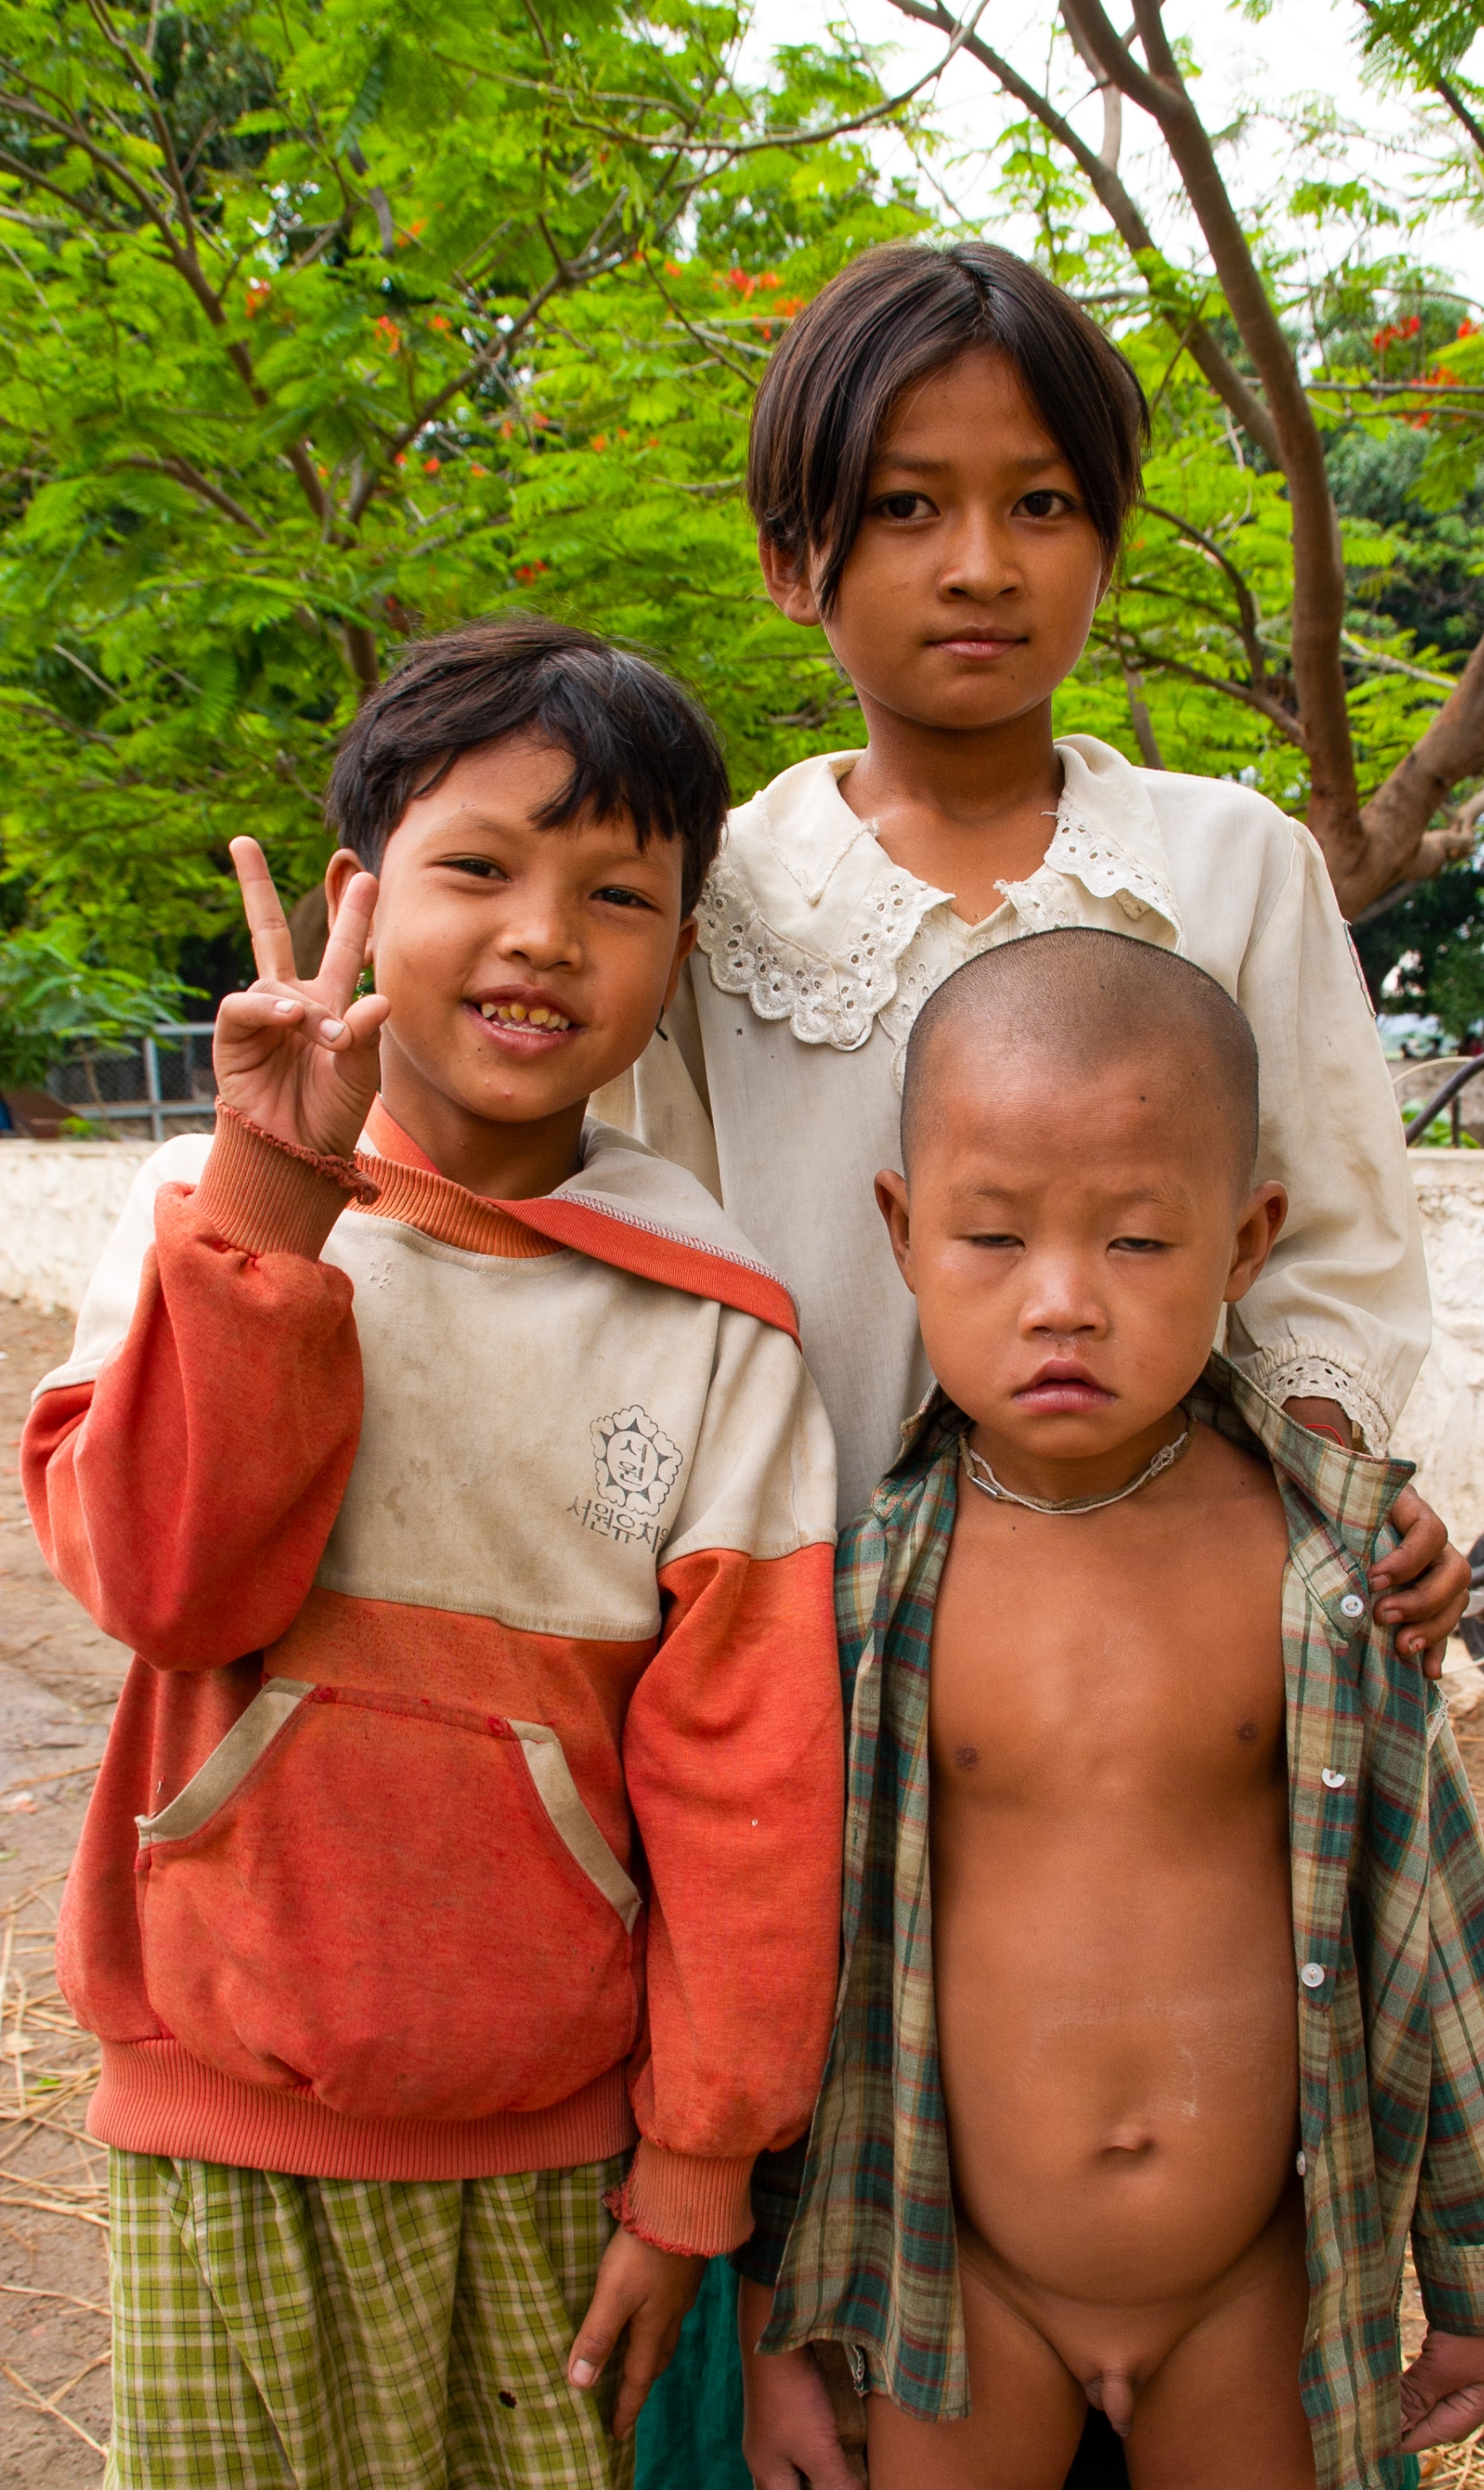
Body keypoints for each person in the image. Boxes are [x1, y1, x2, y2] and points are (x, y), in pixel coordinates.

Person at [22, 619, 845, 2490]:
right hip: (222, 2115)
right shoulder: (198, 1208)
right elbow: (166, 1590)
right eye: (479, 868)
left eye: (616, 896)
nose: (543, 936)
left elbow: (750, 1783)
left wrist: (698, 2163)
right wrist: (273, 1204)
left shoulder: (714, 1323)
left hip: (558, 2147)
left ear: (678, 960)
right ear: (358, 901)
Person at [740, 929, 1484, 2490]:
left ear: (1246, 1244)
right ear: (901, 1232)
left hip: (1255, 2287)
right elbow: (804, 1984)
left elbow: (1436, 1936)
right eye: (993, 1237)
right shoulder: (866, 1597)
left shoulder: (1324, 1582)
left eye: (1138, 1243)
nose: (1065, 1303)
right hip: (961, 2286)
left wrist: (1479, 2279)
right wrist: (782, 2329)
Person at [595, 235, 1466, 1663]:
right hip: (793, 1650)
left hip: (1158, 1647)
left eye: (1042, 504)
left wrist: (1328, 1496)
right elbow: (637, 1261)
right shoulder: (708, 900)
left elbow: (1330, 1249)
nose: (981, 567)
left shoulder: (1231, 867)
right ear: (791, 560)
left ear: (1108, 546)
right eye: (906, 506)